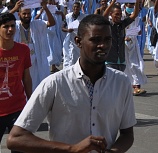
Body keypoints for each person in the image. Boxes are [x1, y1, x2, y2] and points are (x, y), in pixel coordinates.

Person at [7, 14, 136, 152]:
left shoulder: (121, 82)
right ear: (78, 41)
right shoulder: (55, 83)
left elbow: (127, 134)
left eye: (107, 39)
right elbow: (16, 138)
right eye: (95, 40)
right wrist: (71, 149)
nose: (102, 45)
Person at [0, 12, 32, 151]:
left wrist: (31, 101)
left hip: (17, 108)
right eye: (5, 26)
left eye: (13, 26)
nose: (10, 30)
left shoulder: (23, 49)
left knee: (20, 148)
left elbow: (26, 77)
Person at [14, 0, 55, 90]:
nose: (27, 16)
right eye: (24, 14)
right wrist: (15, 8)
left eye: (28, 14)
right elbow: (2, 22)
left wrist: (45, 8)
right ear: (19, 14)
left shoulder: (37, 24)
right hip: (21, 63)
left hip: (36, 63)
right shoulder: (15, 26)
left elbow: (52, 23)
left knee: (37, 87)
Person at [62, 1, 85, 68]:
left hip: (79, 39)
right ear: (72, 8)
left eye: (77, 7)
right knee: (68, 57)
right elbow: (62, 28)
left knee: (77, 57)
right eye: (74, 7)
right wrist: (67, 30)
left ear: (80, 8)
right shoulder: (68, 17)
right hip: (69, 39)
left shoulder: (83, 17)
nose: (76, 8)